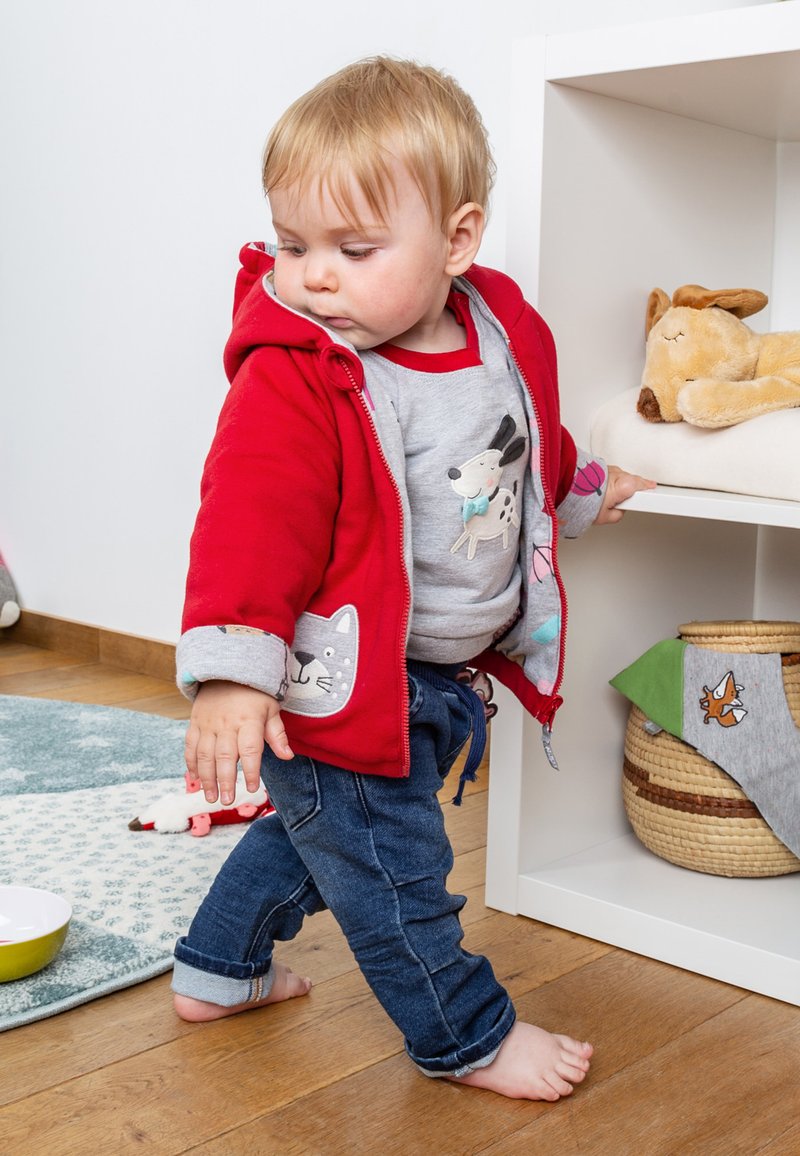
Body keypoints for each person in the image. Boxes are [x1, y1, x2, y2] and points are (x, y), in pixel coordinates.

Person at [171, 55, 654, 1102]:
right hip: (335, 684)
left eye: (352, 248)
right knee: (394, 873)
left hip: (439, 673)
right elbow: (248, 521)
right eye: (292, 245)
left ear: (458, 241)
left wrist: (577, 488)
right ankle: (464, 1036)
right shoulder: (297, 372)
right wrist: (231, 669)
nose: (312, 277)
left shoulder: (498, 332)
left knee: (317, 837)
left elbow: (516, 441)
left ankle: (217, 967)